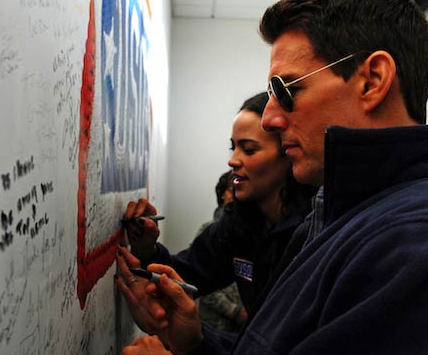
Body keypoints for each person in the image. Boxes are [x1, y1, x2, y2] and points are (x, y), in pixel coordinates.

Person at [105, 0, 428, 355]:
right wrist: (197, 346)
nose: (269, 120)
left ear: (372, 80)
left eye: (287, 90)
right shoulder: (339, 216)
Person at [122, 92, 315, 323]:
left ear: (287, 152)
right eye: (233, 147)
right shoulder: (237, 223)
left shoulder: (315, 228)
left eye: (249, 149)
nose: (233, 160)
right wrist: (146, 248)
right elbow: (186, 274)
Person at [196, 171, 247, 332]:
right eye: (233, 189)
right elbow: (200, 280)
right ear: (223, 195)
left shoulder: (250, 232)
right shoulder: (209, 231)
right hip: (214, 326)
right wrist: (235, 312)